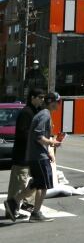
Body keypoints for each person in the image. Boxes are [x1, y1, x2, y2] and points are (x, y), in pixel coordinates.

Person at [5, 92, 62, 223]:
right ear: (51, 102)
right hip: (38, 156)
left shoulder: (42, 113)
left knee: (38, 183)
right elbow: (38, 135)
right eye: (58, 102)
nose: (59, 105)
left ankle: (14, 202)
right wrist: (52, 143)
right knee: (43, 185)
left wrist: (48, 149)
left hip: (37, 155)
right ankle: (35, 212)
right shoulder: (45, 114)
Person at [4, 88, 45, 220]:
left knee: (36, 180)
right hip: (22, 155)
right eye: (40, 97)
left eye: (43, 97)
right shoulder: (26, 113)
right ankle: (10, 208)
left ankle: (25, 204)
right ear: (32, 97)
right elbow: (22, 133)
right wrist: (37, 138)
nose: (42, 99)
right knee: (18, 183)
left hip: (32, 155)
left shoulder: (36, 112)